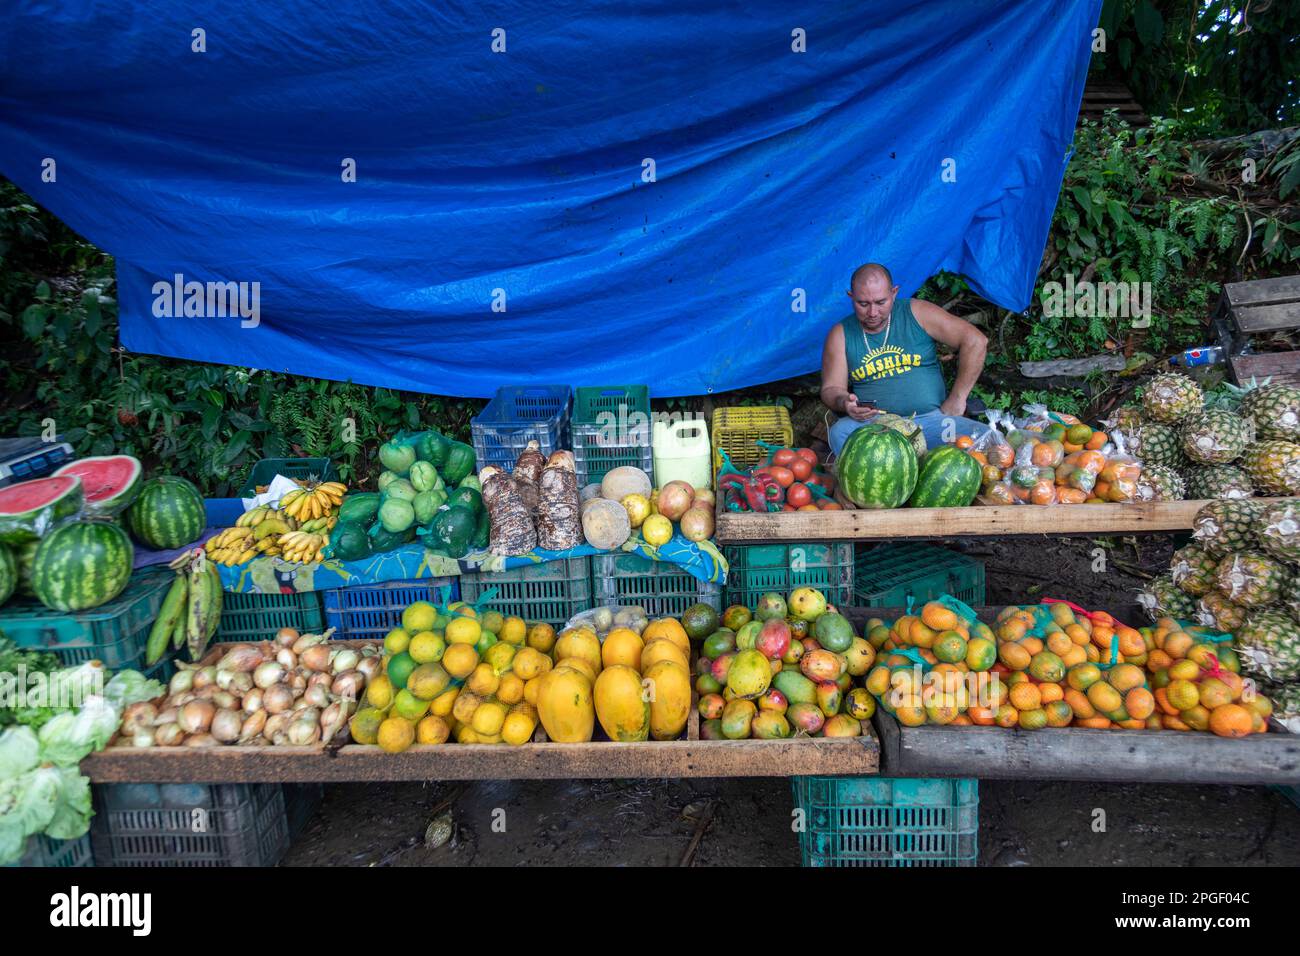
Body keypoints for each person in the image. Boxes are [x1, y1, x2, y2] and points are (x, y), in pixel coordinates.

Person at [821, 262, 989, 455]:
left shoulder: (917, 312)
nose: (873, 312)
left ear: (894, 293)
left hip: (931, 422)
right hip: (875, 428)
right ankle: (886, 478)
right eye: (863, 304)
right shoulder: (841, 334)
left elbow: (975, 341)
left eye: (881, 302)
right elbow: (831, 389)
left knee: (987, 439)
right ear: (851, 297)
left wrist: (958, 398)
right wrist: (844, 402)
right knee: (840, 433)